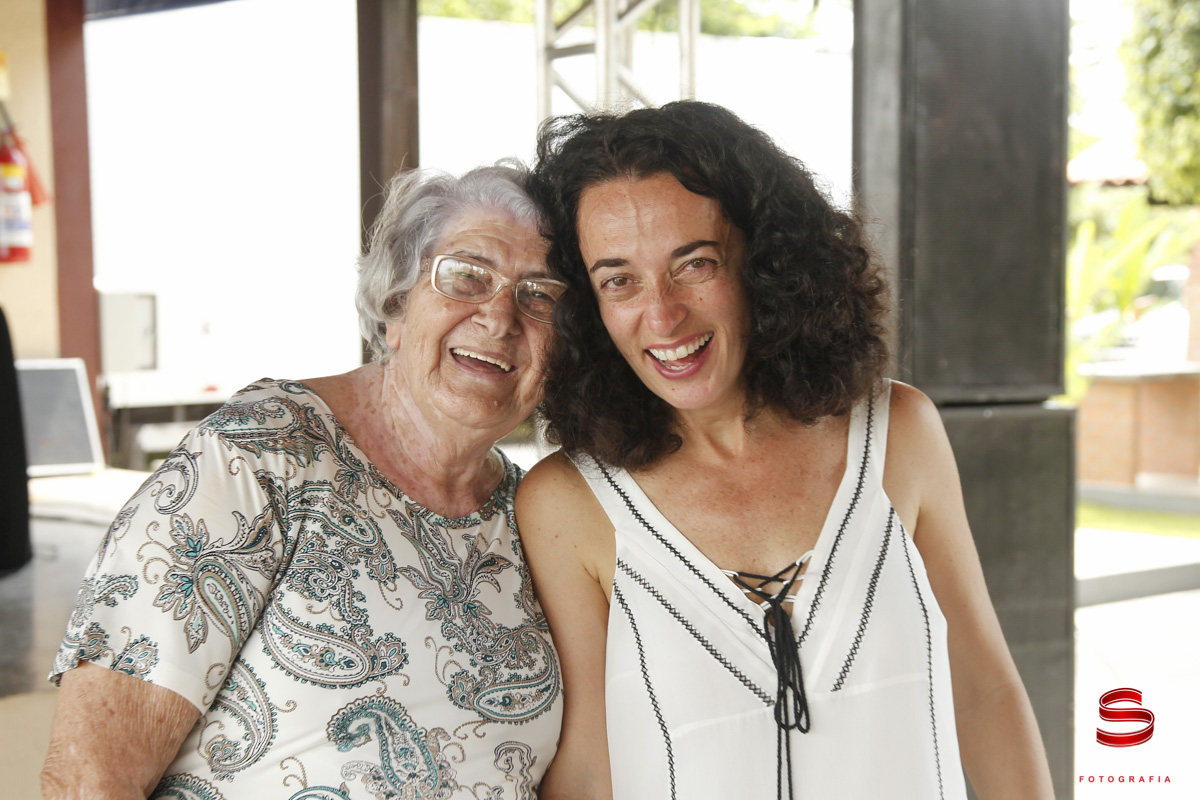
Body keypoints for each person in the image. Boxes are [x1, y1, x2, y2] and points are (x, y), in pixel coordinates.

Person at [516, 101, 1055, 800]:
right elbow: (591, 768)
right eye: (619, 280)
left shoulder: (900, 434)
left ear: (765, 261)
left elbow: (984, 691)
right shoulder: (568, 503)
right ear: (587, 307)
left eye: (695, 263)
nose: (663, 314)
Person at [41, 162, 565, 799]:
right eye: (465, 276)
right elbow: (90, 779)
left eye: (539, 295)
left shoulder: (531, 515)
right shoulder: (260, 455)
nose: (500, 316)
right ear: (395, 306)